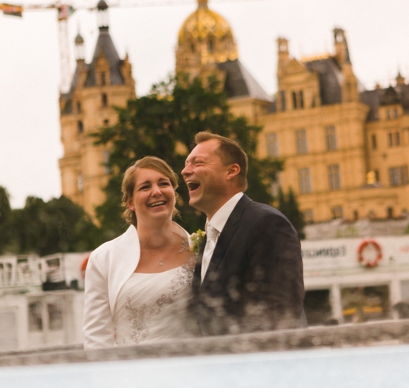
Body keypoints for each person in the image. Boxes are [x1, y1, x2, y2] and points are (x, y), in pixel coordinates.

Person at [183, 131, 306, 336]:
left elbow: (281, 312)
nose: (185, 171)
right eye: (186, 163)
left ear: (231, 171)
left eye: (197, 163)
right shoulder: (209, 238)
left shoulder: (267, 224)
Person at [83, 156, 197, 349]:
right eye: (145, 187)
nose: (156, 191)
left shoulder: (201, 248)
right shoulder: (104, 258)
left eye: (164, 183)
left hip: (193, 369)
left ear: (174, 194)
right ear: (130, 202)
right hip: (132, 373)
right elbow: (97, 338)